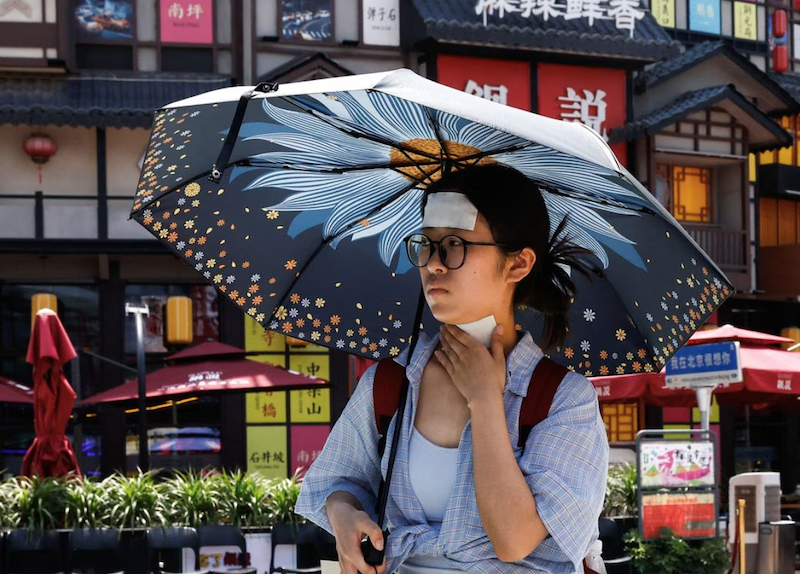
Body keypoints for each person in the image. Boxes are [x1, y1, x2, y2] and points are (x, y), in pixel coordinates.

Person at [295, 164, 609, 574]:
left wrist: (484, 400)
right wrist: (343, 515)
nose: (434, 264)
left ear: (517, 265)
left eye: (456, 244)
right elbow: (340, 483)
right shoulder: (389, 383)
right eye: (426, 244)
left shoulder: (563, 400)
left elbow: (514, 539)